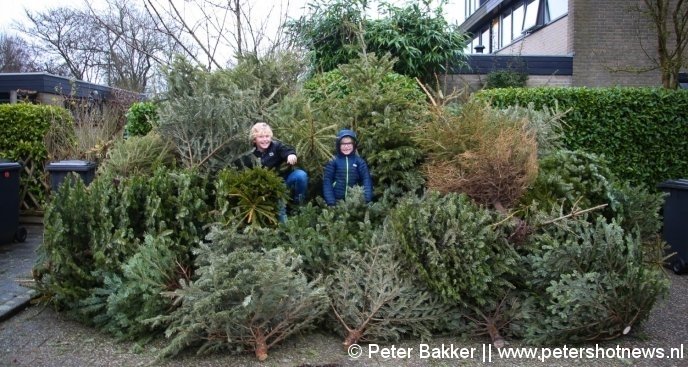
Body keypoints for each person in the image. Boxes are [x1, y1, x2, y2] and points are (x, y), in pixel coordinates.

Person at [236, 122, 308, 210]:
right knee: (281, 209)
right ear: (254, 139)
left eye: (267, 136)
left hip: (283, 180)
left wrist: (291, 155)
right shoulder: (250, 154)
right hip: (268, 187)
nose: (265, 140)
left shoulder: (276, 146)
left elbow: (286, 150)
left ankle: (298, 204)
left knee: (301, 175)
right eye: (261, 137)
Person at [322, 129, 373, 206]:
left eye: (349, 143)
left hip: (355, 203)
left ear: (354, 145)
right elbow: (327, 182)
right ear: (338, 145)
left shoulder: (359, 162)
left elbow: (366, 180)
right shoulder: (333, 161)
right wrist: (331, 202)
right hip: (337, 202)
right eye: (343, 144)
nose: (346, 146)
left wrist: (366, 199)